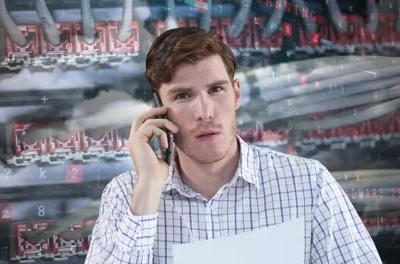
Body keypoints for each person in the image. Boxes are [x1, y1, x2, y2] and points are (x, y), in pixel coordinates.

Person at [84, 27, 382, 264]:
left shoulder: (309, 183)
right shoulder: (126, 195)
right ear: (159, 109)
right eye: (182, 96)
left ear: (236, 93)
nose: (205, 111)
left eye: (216, 89)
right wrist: (148, 187)